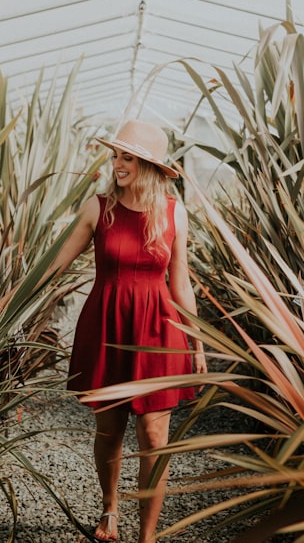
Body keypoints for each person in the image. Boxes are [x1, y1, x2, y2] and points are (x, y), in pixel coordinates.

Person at [49, 119, 208, 543]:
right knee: (110, 429)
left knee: (155, 435)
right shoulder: (98, 208)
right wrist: (9, 302)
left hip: (158, 328)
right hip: (107, 325)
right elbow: (56, 264)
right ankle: (110, 509)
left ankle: (148, 535)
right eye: (116, 155)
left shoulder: (175, 212)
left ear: (150, 166)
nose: (118, 164)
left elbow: (181, 281)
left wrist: (196, 340)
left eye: (129, 158)